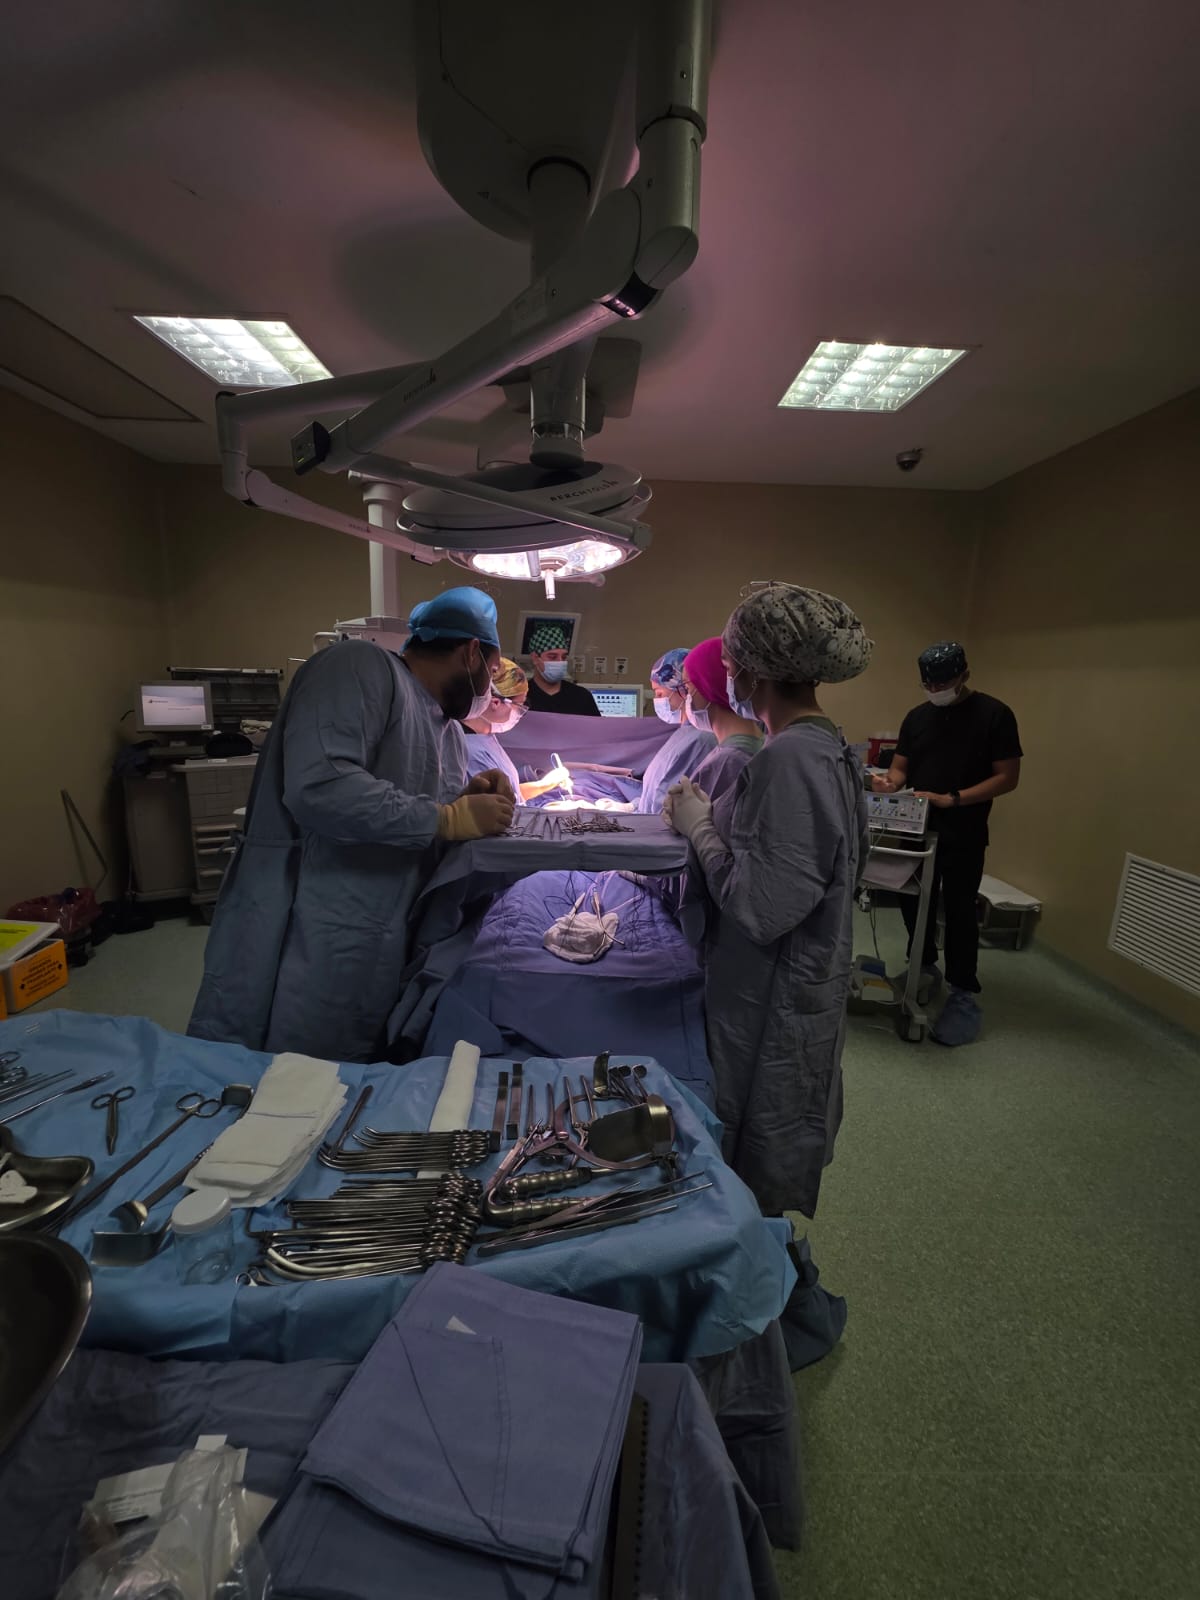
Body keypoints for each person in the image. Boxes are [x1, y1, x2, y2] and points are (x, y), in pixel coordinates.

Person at [663, 583, 872, 1369]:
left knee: (752, 1146)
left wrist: (700, 828)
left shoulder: (788, 759)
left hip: (771, 998)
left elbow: (759, 908)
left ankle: (764, 1310)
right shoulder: (828, 746)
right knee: (763, 1144)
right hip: (797, 987)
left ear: (751, 672)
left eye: (735, 664)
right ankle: (767, 1279)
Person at [188, 586, 515, 1063]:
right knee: (287, 1071)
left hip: (379, 924)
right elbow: (320, 786)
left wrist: (464, 802)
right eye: (491, 670)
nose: (489, 687)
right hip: (314, 919)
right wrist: (445, 817)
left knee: (348, 1076)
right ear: (470, 653)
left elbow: (410, 812)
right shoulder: (360, 667)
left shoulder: (443, 727)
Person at [872, 640, 1022, 1047]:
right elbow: (902, 764)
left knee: (958, 909)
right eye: (928, 682)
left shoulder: (994, 714)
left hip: (964, 829)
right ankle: (924, 966)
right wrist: (890, 782)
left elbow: (1007, 777)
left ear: (964, 675)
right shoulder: (917, 717)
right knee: (908, 896)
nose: (935, 688)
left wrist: (952, 798)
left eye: (943, 681)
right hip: (915, 826)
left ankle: (963, 994)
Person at [463, 657, 574, 802]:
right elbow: (499, 809)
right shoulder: (471, 753)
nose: (519, 714)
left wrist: (544, 784)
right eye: (519, 705)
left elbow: (512, 795)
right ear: (495, 703)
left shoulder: (486, 736)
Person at [681, 637, 764, 805]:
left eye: (687, 688)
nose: (686, 698)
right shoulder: (755, 745)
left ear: (707, 686)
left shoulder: (731, 761)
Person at [635, 648, 717, 813]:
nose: (657, 701)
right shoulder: (684, 733)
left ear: (685, 691)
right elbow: (655, 792)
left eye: (660, 694)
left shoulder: (700, 739)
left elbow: (664, 808)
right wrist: (633, 806)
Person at [524, 626, 600, 715]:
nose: (560, 662)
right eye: (552, 657)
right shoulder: (521, 697)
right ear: (535, 658)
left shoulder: (581, 696)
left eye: (564, 657)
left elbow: (597, 728)